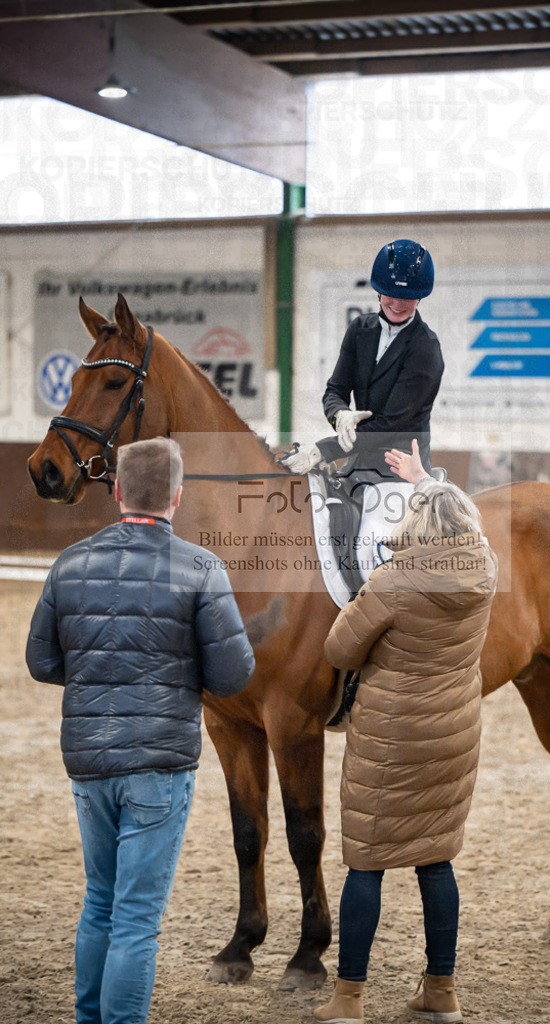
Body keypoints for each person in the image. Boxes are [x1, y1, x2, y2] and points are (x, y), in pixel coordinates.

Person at [25, 437, 255, 1024]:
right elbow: (232, 676)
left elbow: (43, 662)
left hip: (88, 761)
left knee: (99, 902)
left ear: (118, 491)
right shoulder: (202, 567)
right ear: (177, 496)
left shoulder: (70, 562)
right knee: (135, 918)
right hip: (159, 763)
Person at [313, 440, 497, 1024]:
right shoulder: (485, 570)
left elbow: (338, 648)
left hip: (391, 739)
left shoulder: (392, 581)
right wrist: (426, 481)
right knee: (436, 860)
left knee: (366, 864)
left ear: (415, 523)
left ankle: (348, 999)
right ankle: (440, 991)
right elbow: (458, 516)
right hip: (453, 736)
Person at [284, 239, 444, 491]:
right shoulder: (360, 329)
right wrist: (341, 416)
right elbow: (335, 389)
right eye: (392, 294)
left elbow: (390, 424)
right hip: (357, 463)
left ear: (420, 297)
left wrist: (321, 451)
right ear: (378, 291)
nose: (398, 304)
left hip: (400, 469)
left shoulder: (426, 348)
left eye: (408, 297)